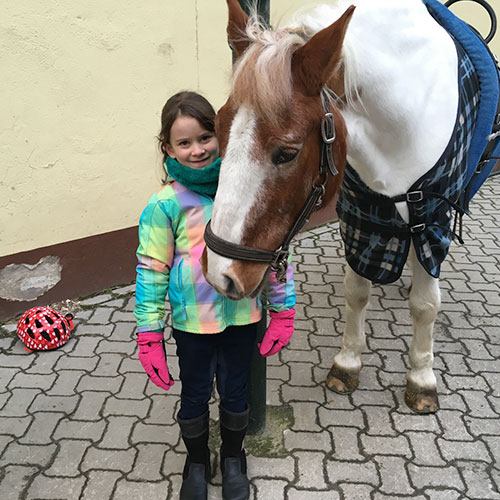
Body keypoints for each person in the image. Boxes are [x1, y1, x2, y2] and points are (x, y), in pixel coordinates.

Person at [134, 91, 296, 500]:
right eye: (184, 142)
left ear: (222, 136)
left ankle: (233, 459)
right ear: (167, 148)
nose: (197, 149)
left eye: (206, 137)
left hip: (243, 319)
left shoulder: (242, 191)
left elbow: (271, 252)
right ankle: (196, 461)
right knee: (194, 395)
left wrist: (284, 308)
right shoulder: (165, 204)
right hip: (192, 325)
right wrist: (149, 333)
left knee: (236, 392)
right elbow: (151, 272)